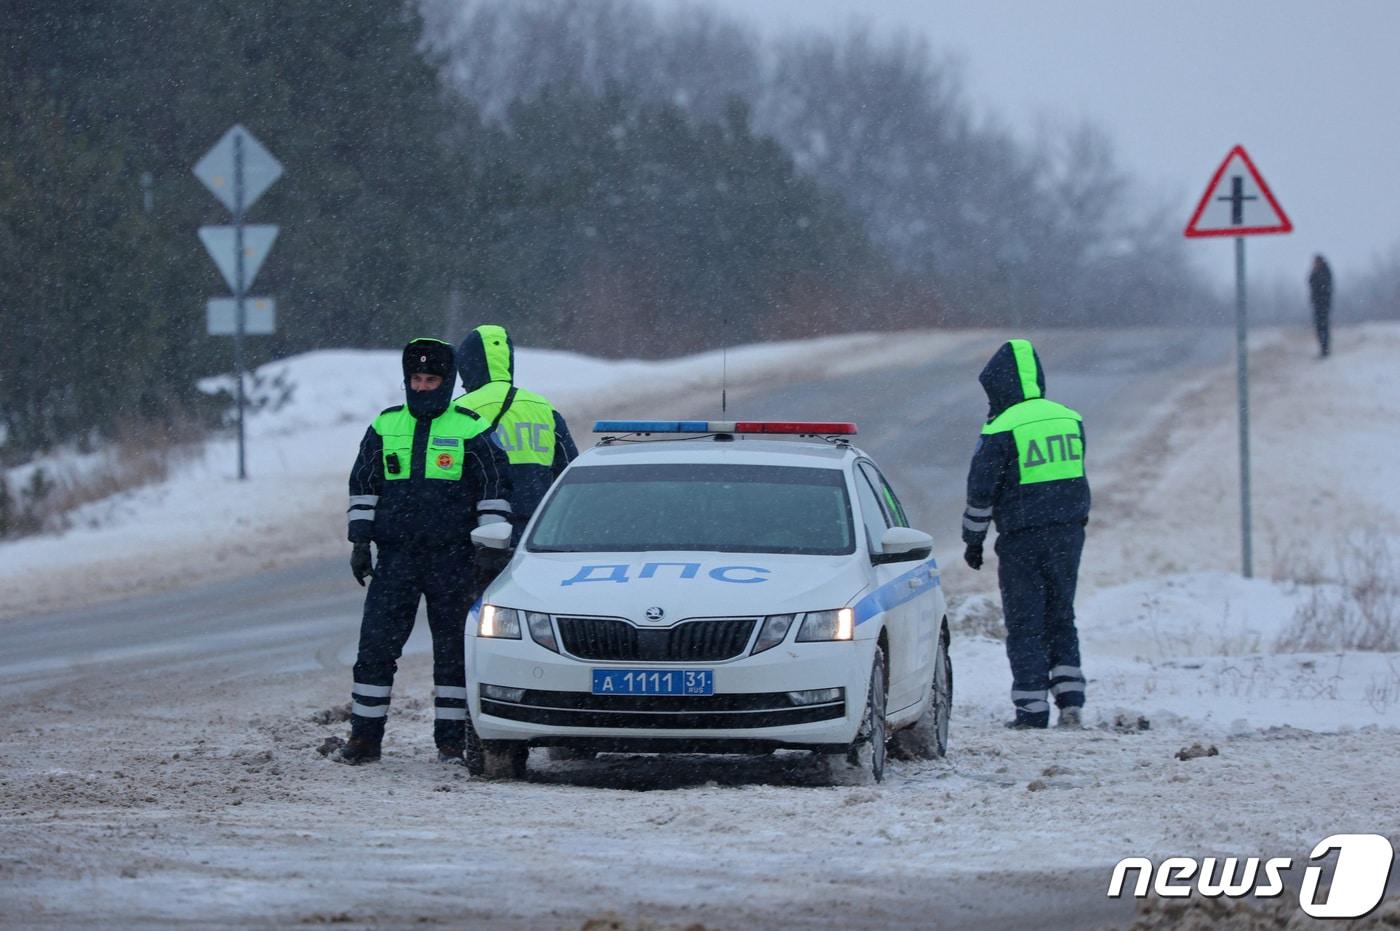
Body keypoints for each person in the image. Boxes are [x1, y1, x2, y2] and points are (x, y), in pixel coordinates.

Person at [335, 337, 513, 765]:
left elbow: (494, 489)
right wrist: (360, 541)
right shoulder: (384, 426)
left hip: (452, 560)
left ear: (447, 382)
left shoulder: (471, 427)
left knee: (452, 653)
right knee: (375, 649)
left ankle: (451, 743)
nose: (421, 387)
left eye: (431, 379)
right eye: (415, 378)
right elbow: (363, 485)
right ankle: (364, 740)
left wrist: (490, 548)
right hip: (396, 559)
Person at [961, 339, 1090, 730]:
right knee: (1061, 614)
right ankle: (1070, 700)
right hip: (1069, 533)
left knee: (1025, 621)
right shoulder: (1069, 418)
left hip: (1022, 538)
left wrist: (973, 539)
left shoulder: (1002, 427)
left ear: (1001, 385)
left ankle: (1031, 709)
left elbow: (981, 491)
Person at [455, 324, 578, 589]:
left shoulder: (460, 411)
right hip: (535, 533)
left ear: (467, 365)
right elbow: (568, 472)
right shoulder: (542, 408)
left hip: (480, 535)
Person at [1308, 254, 1333, 358]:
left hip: (1323, 304)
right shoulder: (1316, 273)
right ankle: (1323, 348)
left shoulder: (1324, 273)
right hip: (1318, 304)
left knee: (1323, 327)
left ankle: (1325, 349)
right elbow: (1311, 283)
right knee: (1320, 327)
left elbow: (1325, 288)